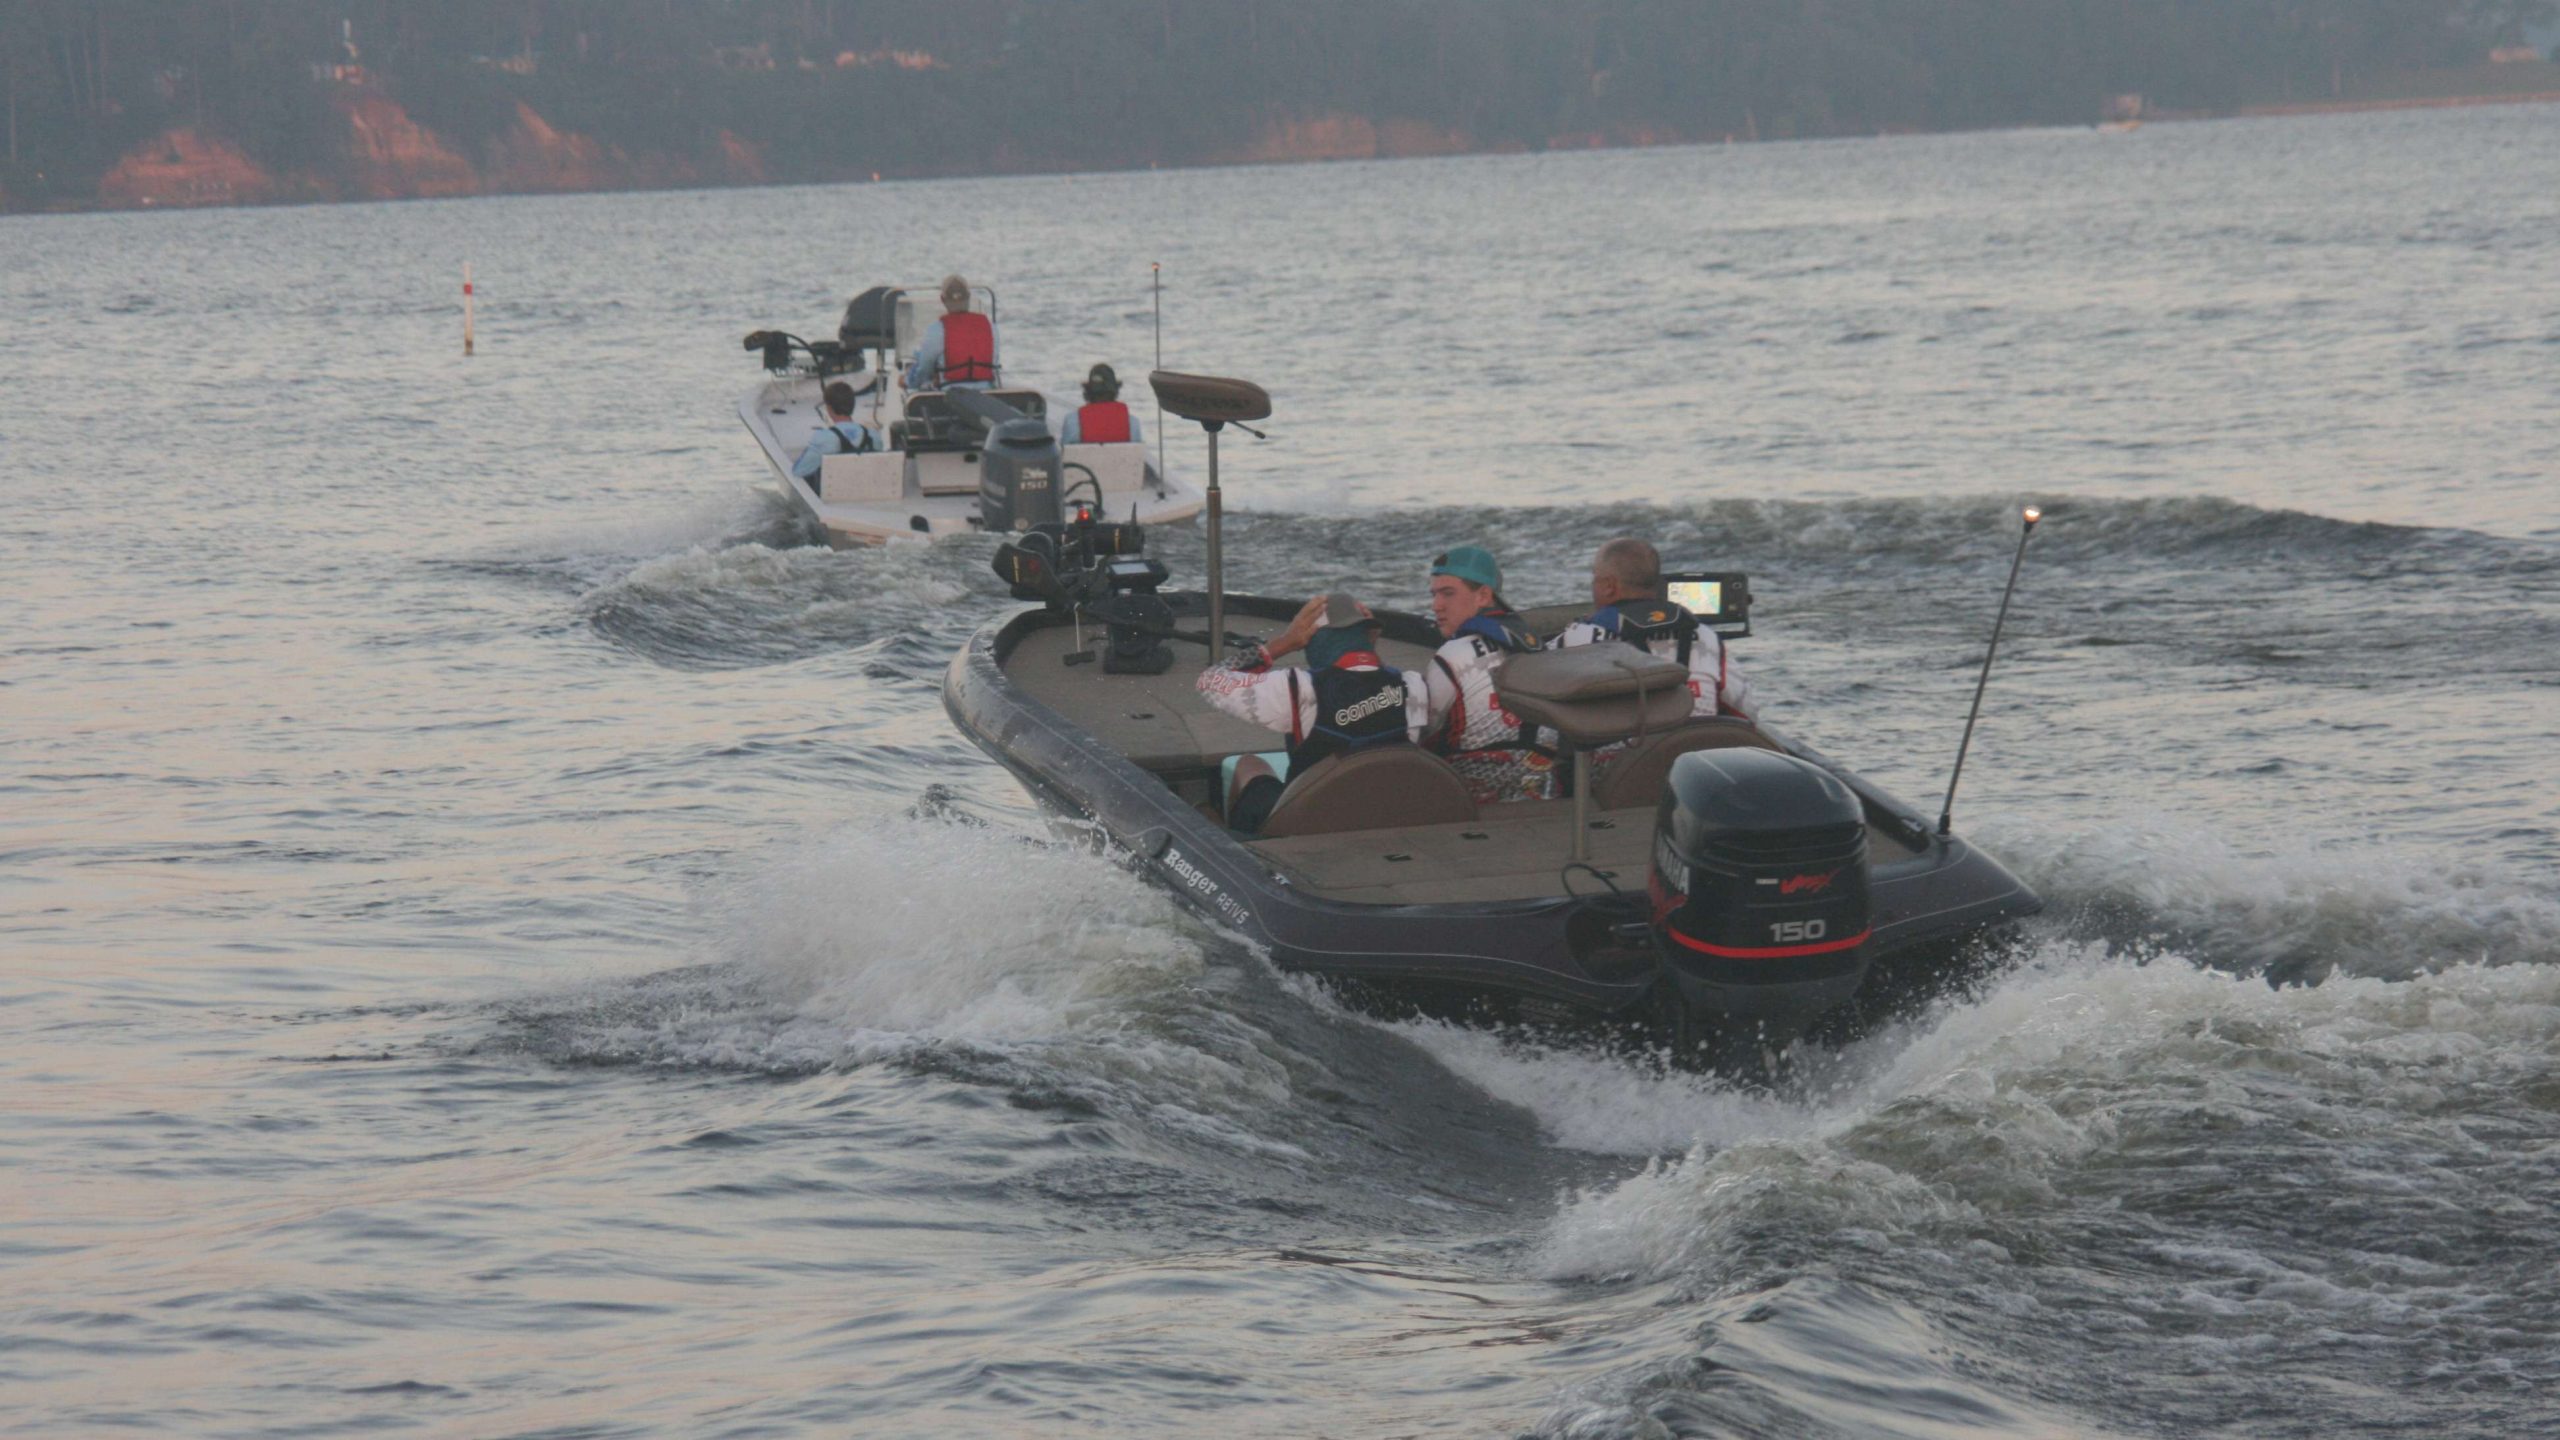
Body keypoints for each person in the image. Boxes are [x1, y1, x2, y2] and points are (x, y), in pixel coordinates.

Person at [1195, 592, 1429, 833]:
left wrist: (1282, 643)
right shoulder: (1413, 686)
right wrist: (1369, 648)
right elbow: (1368, 678)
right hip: (1382, 815)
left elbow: (1210, 682)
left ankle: (1244, 848)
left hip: (1306, 823)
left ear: (1314, 638)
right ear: (1365, 636)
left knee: (1249, 765)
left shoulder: (1298, 689)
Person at [1547, 537, 1755, 720]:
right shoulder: (1706, 637)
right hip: (1695, 755)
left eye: (1595, 578)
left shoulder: (1578, 639)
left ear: (1609, 585)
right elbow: (1745, 710)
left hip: (1625, 761)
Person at [1420, 545, 1551, 804]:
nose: (1436, 606)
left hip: (1473, 807)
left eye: (1448, 594)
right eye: (1434, 595)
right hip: (1546, 795)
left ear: (1483, 595)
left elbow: (1424, 735)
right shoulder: (1537, 645)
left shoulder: (1452, 656)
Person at [902, 274, 1000, 391]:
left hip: (950, 394)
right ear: (968, 296)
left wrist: (908, 380)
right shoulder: (991, 327)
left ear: (943, 299)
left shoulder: (936, 330)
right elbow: (993, 363)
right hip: (986, 393)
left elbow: (924, 370)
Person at [791, 380, 882, 487]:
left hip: (832, 494)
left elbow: (799, 471)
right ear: (852, 405)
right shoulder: (873, 436)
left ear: (829, 408)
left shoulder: (823, 438)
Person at [1058, 363, 1143, 445]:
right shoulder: (1132, 423)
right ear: (1115, 391)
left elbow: (1065, 453)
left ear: (1088, 391)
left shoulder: (1072, 421)